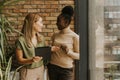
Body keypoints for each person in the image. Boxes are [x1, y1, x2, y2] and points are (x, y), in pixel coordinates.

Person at [15, 13, 59, 80]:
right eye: (41, 22)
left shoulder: (41, 38)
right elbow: (19, 60)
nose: (42, 25)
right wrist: (31, 60)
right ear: (33, 23)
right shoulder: (21, 40)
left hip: (40, 69)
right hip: (28, 71)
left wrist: (50, 49)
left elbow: (43, 52)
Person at [47, 6, 79, 80]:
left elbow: (79, 56)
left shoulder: (74, 37)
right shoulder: (55, 35)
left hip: (66, 70)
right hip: (53, 67)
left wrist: (68, 51)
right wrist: (50, 49)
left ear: (66, 22)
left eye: (58, 21)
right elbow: (51, 51)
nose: (56, 23)